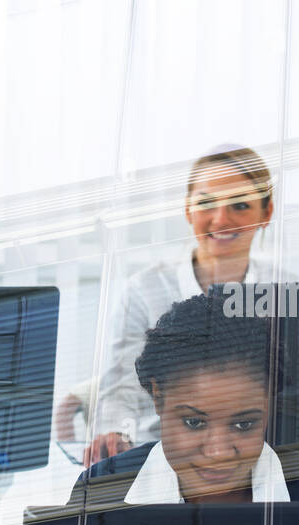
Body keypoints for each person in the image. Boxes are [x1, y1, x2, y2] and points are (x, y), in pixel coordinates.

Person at [82, 145, 286, 467]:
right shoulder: (145, 288)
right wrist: (117, 432)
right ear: (188, 210)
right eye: (206, 204)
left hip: (256, 456)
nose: (221, 219)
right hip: (162, 457)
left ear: (267, 213)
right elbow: (121, 384)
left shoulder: (285, 290)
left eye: (241, 205)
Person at [80, 293, 288, 504]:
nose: (218, 453)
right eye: (194, 423)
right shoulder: (99, 490)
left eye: (244, 424)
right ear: (158, 398)